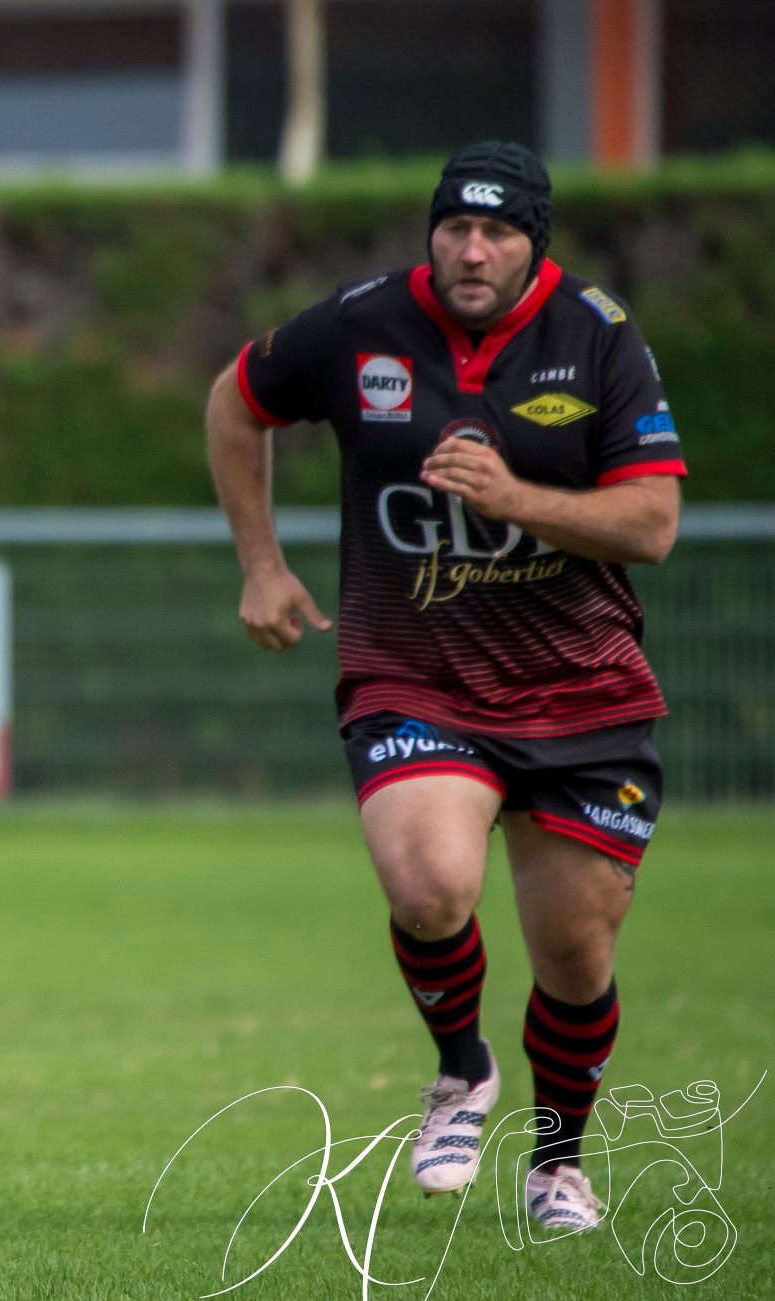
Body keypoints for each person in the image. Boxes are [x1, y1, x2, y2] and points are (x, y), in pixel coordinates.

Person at [206, 142, 685, 1234]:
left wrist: (516, 499)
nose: (472, 251)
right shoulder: (358, 323)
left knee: (575, 954)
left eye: (498, 232)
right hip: (413, 677)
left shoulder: (598, 334)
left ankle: (558, 1163)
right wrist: (261, 565)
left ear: (534, 244)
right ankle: (462, 1072)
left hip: (582, 693)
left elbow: (652, 524)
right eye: (455, 228)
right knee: (427, 887)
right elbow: (235, 403)